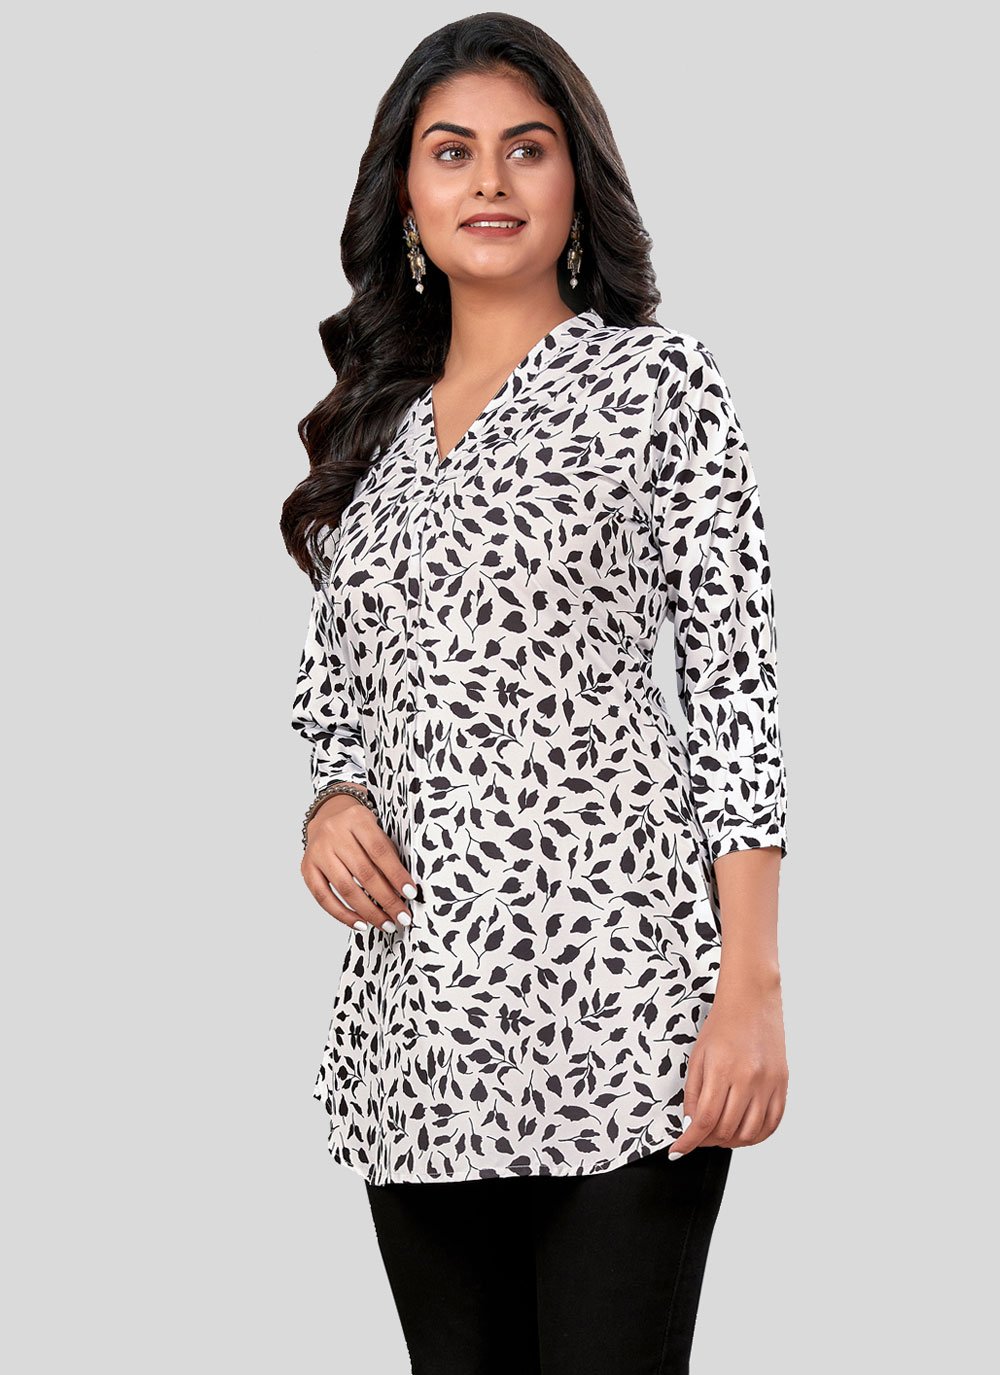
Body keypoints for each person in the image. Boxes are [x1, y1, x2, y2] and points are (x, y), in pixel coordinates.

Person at [281, 14, 790, 1373]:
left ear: (578, 183)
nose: (490, 181)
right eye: (452, 152)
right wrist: (331, 802)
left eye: (528, 148)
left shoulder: (656, 385)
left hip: (625, 1010)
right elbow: (335, 693)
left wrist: (751, 986)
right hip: (418, 1031)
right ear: (406, 194)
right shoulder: (374, 433)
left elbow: (737, 689)